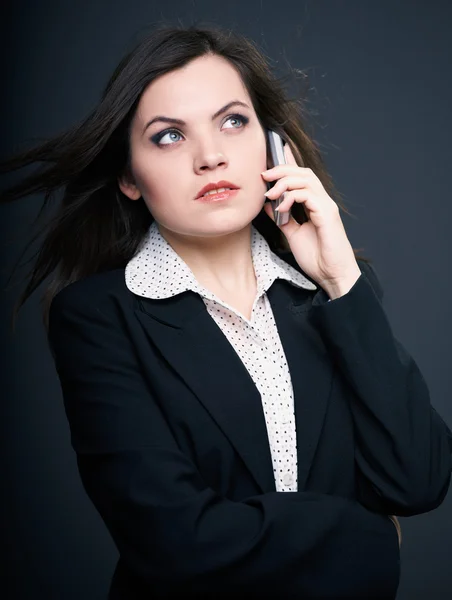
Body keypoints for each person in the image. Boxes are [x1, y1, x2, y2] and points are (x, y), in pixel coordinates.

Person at [2, 22, 451, 600]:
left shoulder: (334, 297)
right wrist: (367, 540)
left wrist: (342, 279)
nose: (210, 156)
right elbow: (173, 541)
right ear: (128, 177)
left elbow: (418, 481)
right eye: (169, 136)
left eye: (232, 122)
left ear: (273, 145)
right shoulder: (97, 318)